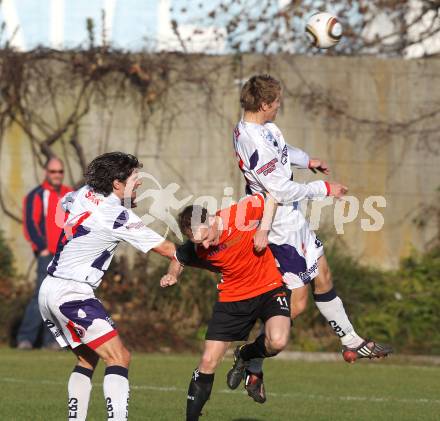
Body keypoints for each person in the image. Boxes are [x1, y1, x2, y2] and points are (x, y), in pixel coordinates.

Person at [232, 74, 392, 400]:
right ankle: (250, 357)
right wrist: (324, 189)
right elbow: (280, 188)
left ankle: (351, 342)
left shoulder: (264, 130)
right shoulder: (254, 142)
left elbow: (283, 150)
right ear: (264, 105)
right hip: (278, 228)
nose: (279, 106)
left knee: (324, 276)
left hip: (294, 219)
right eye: (276, 102)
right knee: (298, 305)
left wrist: (309, 161)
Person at [38, 152, 175, 421]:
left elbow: (67, 203)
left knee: (87, 359)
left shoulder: (85, 192)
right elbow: (169, 248)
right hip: (71, 293)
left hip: (50, 288)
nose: (139, 183)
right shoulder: (116, 215)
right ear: (117, 183)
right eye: (135, 177)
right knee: (120, 357)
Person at [160, 192, 291, 420]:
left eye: (207, 237)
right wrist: (172, 275)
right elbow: (178, 258)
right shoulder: (198, 245)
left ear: (211, 219)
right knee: (208, 361)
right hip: (233, 296)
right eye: (200, 243)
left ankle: (246, 354)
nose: (207, 245)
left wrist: (264, 229)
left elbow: (272, 196)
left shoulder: (239, 214)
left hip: (269, 286)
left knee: (277, 341)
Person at [17, 157, 72, 350]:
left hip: (67, 256)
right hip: (47, 255)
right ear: (46, 173)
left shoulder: (70, 194)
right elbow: (30, 224)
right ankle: (26, 339)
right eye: (53, 171)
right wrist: (41, 247)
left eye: (60, 172)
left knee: (59, 298)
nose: (57, 175)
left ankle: (52, 341)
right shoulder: (37, 195)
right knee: (40, 296)